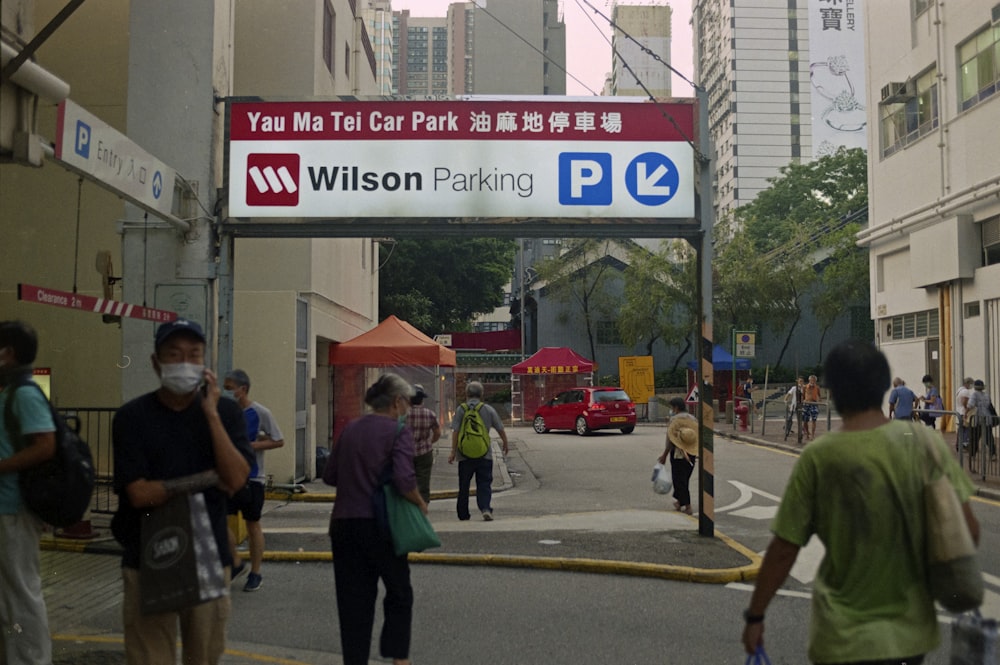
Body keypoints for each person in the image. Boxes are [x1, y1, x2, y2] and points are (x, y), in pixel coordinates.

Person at [741, 339, 979, 664]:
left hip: (841, 639)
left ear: (833, 392)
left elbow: (784, 550)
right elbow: (969, 531)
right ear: (884, 387)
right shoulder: (925, 445)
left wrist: (756, 617)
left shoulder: (819, 457)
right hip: (909, 637)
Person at [111, 319, 253, 665]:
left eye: (194, 354)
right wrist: (207, 478)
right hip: (146, 557)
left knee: (204, 657)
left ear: (205, 364)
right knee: (149, 658)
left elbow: (235, 480)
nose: (184, 363)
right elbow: (139, 495)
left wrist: (211, 416)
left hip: (209, 558)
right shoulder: (132, 417)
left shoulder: (225, 412)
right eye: (174, 355)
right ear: (156, 363)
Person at [322, 373, 426, 665]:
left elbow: (330, 476)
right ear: (396, 402)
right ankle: (398, 658)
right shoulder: (396, 431)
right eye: (406, 402)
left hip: (344, 526)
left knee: (353, 603)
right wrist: (420, 503)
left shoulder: (351, 428)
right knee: (399, 592)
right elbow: (405, 480)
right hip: (382, 527)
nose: (407, 409)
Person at [0, 321, 56, 665]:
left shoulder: (24, 393)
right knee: (9, 597)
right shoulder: (10, 393)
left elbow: (45, 445)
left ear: (8, 353)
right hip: (5, 510)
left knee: (21, 595)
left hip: (14, 509)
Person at [222, 369, 285, 593]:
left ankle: (256, 572)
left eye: (229, 388)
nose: (226, 392)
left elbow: (278, 440)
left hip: (252, 478)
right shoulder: (223, 413)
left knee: (253, 524)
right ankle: (235, 562)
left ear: (243, 389)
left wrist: (253, 445)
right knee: (219, 521)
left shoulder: (259, 412)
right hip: (226, 477)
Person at [449, 381, 509, 521]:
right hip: (484, 453)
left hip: (464, 455)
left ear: (466, 394)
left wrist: (453, 451)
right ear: (482, 394)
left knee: (464, 485)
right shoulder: (488, 409)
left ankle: (463, 514)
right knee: (484, 483)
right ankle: (485, 508)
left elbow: (455, 432)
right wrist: (505, 443)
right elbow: (500, 427)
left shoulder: (461, 410)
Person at [657, 397, 698, 515]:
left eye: (672, 407)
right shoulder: (693, 419)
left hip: (677, 453)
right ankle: (680, 502)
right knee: (684, 478)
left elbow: (670, 439)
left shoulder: (674, 420)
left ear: (676, 407)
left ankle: (688, 505)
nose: (672, 410)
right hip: (691, 451)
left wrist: (664, 454)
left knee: (679, 479)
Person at [405, 383, 441, 504]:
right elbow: (437, 432)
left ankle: (409, 503)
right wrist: (430, 442)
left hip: (406, 451)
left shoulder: (403, 415)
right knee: (423, 480)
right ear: (422, 399)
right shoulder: (430, 414)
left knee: (407, 479)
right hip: (424, 452)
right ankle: (422, 504)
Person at [967, 379, 997, 460]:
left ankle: (972, 455)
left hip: (978, 419)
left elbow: (970, 405)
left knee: (975, 438)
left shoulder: (974, 395)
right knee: (989, 438)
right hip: (988, 419)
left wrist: (966, 414)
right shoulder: (987, 395)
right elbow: (989, 405)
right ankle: (993, 454)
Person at [955, 376, 975, 449]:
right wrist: (967, 409)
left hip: (959, 411)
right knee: (966, 428)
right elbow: (964, 402)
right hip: (963, 412)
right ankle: (965, 444)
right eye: (971, 384)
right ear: (967, 383)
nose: (971, 386)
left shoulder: (959, 390)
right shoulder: (965, 391)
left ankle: (958, 444)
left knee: (960, 429)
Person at [801, 375, 821, 441]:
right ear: (809, 380)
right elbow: (803, 396)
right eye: (811, 380)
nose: (813, 381)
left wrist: (818, 401)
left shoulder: (817, 387)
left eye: (814, 380)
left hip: (814, 404)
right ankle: (807, 434)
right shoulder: (805, 387)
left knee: (814, 420)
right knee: (805, 421)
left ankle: (812, 435)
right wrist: (803, 401)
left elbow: (819, 396)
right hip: (806, 404)